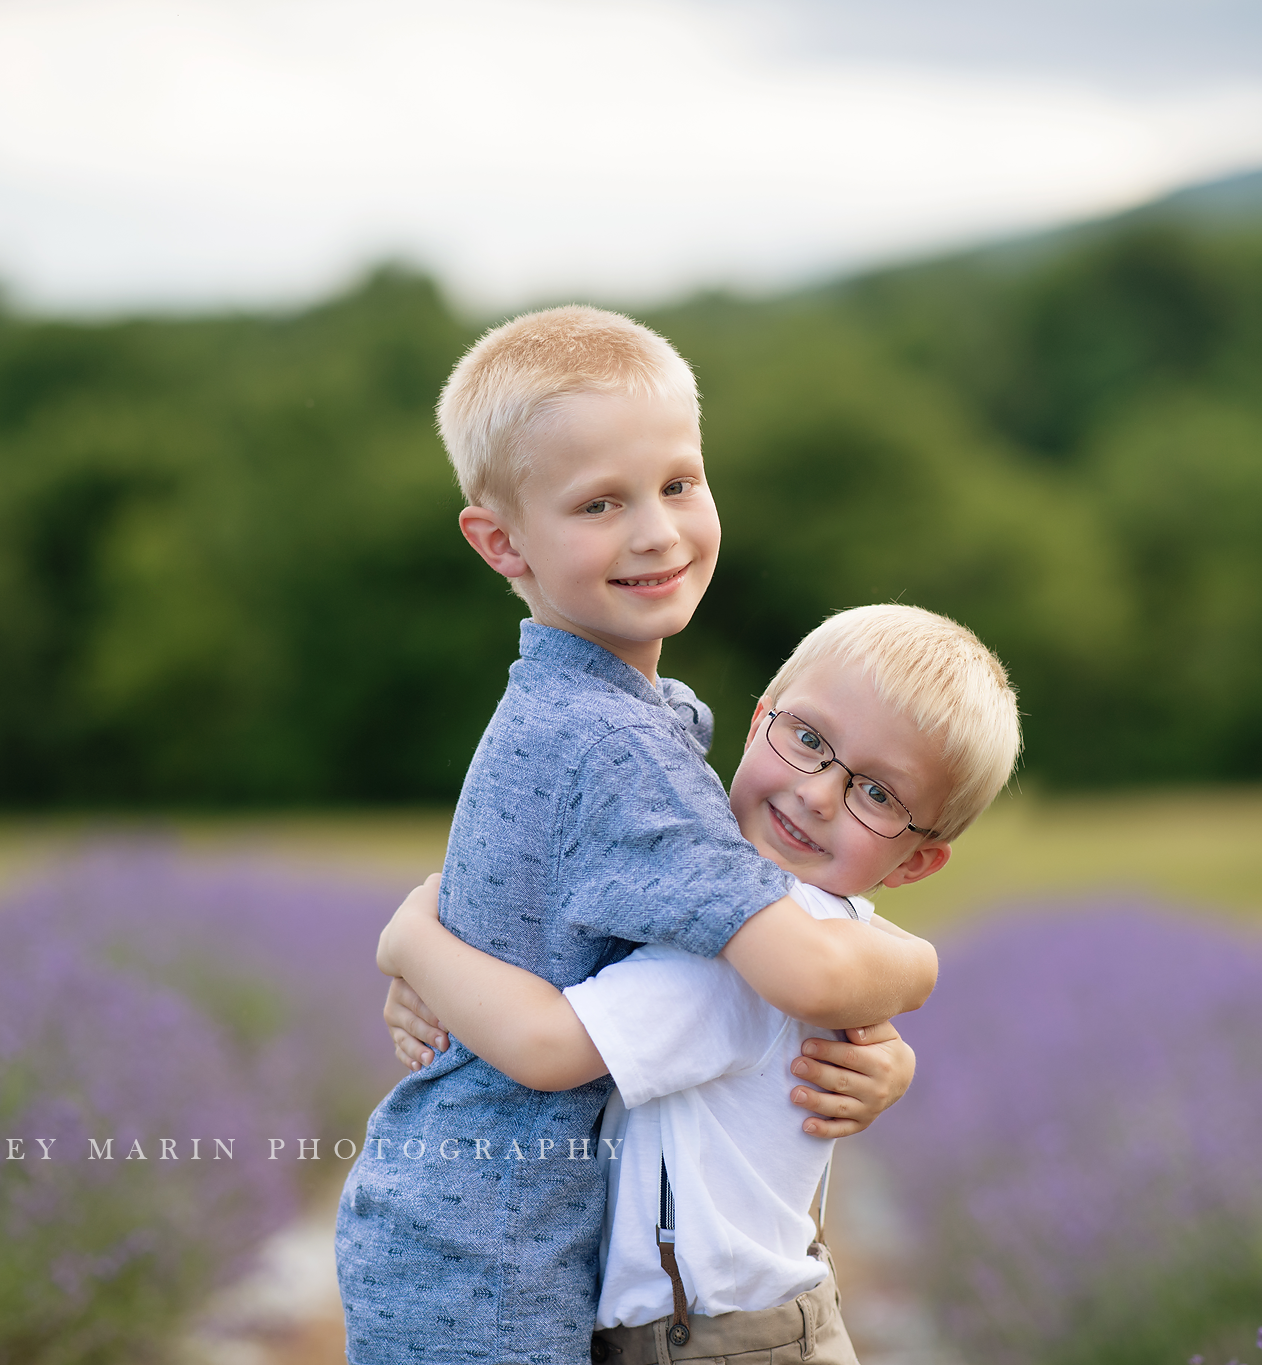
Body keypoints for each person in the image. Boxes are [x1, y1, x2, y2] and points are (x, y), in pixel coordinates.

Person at [334, 307, 938, 1365]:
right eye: (598, 503)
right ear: (500, 542)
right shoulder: (614, 749)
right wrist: (914, 966)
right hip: (489, 1250)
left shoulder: (603, 715)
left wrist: (878, 1054)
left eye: (677, 483)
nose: (656, 531)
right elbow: (803, 966)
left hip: (481, 1222)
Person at [378, 604, 1022, 1365]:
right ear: (757, 724)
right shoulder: (802, 925)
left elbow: (544, 1045)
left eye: (878, 794)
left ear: (915, 862)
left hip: (713, 1343)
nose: (818, 794)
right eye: (810, 739)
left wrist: (412, 940)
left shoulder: (737, 957)